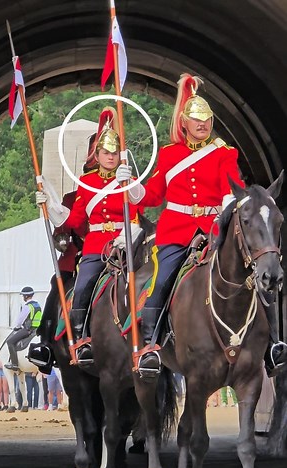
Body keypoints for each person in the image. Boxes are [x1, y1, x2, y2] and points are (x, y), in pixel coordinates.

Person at [116, 72, 287, 378]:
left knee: (255, 278)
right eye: (196, 119)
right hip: (176, 230)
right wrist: (129, 183)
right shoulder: (169, 156)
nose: (203, 124)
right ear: (184, 122)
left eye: (207, 119)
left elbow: (230, 188)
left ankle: (273, 344)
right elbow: (152, 196)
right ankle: (151, 346)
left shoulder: (224, 153)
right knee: (161, 279)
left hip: (213, 228)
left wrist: (225, 211)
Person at [35, 107, 143, 364]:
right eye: (105, 153)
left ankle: (153, 339)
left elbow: (140, 208)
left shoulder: (128, 179)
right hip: (95, 246)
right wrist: (49, 204)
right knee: (82, 286)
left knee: (151, 285)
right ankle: (81, 337)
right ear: (97, 155)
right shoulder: (87, 183)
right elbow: (74, 220)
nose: (109, 157)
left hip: (126, 244)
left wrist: (131, 184)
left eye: (114, 153)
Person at [28, 190, 87, 372]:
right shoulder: (72, 198)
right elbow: (61, 231)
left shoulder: (121, 189)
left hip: (114, 255)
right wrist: (61, 238)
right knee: (56, 292)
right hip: (76, 258)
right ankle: (46, 343)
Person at [5, 287, 42, 371]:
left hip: (28, 330)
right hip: (37, 330)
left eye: (23, 296)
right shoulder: (37, 305)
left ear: (26, 296)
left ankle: (14, 364)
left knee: (10, 342)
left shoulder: (28, 306)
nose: (23, 298)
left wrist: (17, 327)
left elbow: (20, 319)